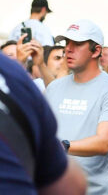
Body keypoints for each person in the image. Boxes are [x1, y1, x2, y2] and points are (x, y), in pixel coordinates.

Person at [46, 19, 108, 195]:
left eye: (77, 43)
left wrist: (62, 146)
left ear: (96, 50)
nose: (68, 48)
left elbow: (103, 143)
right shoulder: (54, 87)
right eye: (67, 42)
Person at [0, 52, 86, 194]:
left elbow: (105, 142)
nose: (68, 54)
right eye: (57, 58)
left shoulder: (13, 74)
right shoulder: (12, 72)